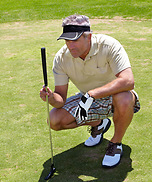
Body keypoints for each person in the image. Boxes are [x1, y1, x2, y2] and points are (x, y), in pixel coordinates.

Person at [40, 14, 140, 168]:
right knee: (53, 120)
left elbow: (128, 81)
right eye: (67, 40)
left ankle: (115, 143)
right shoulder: (61, 58)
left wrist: (92, 94)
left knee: (125, 98)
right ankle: (99, 124)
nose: (70, 45)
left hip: (114, 97)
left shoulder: (109, 45)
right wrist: (51, 97)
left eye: (75, 40)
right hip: (87, 99)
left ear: (88, 37)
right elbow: (60, 98)